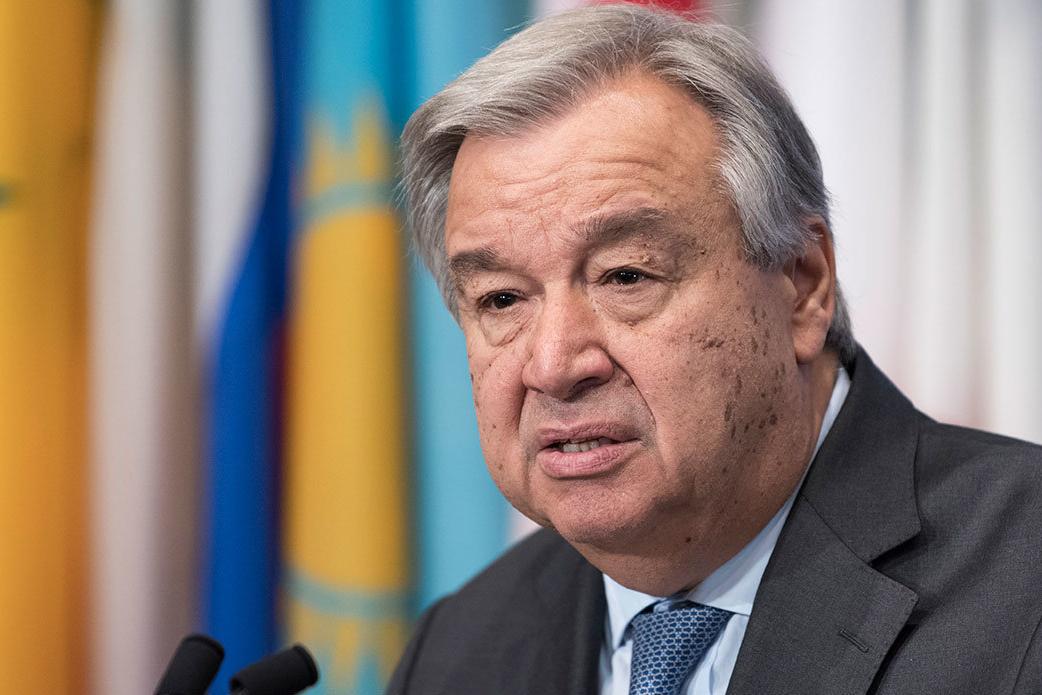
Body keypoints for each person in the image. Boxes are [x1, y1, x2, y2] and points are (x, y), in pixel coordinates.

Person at [389, 5, 1042, 694]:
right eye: (501, 299)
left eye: (626, 276)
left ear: (802, 285)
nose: (553, 366)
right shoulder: (457, 652)